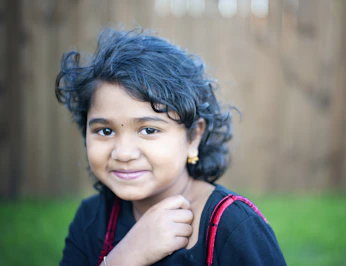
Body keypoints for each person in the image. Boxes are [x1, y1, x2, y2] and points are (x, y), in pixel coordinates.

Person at [56, 28, 286, 266]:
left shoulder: (233, 225)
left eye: (149, 130)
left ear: (193, 137)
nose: (123, 153)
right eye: (105, 131)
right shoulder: (92, 218)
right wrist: (125, 257)